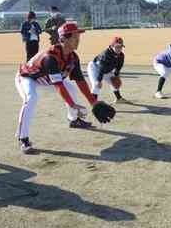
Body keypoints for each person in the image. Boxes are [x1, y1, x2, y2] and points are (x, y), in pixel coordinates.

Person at [15, 22, 96, 154]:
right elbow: (58, 85)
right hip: (27, 77)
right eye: (74, 37)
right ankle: (22, 137)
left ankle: (73, 120)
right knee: (31, 98)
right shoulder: (50, 57)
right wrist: (72, 104)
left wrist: (94, 102)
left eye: (78, 37)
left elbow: (81, 81)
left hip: (46, 79)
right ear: (63, 39)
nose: (78, 40)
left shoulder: (73, 57)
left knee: (72, 89)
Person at [87, 37, 127, 103]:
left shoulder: (121, 55)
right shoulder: (106, 54)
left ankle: (119, 99)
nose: (119, 49)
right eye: (117, 47)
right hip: (94, 68)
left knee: (114, 82)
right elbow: (101, 69)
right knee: (96, 85)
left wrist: (116, 75)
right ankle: (93, 103)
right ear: (112, 46)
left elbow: (118, 67)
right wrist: (99, 80)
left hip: (105, 69)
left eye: (121, 47)